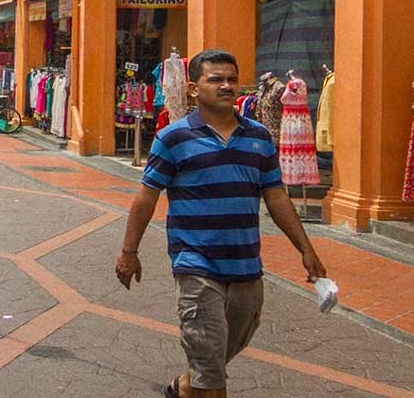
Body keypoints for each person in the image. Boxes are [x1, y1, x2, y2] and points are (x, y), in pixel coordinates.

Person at [116, 49, 327, 398]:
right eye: (216, 79)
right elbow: (146, 197)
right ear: (193, 88)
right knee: (212, 380)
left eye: (231, 79)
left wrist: (306, 250)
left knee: (212, 362)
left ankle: (184, 386)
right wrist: (129, 251)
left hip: (246, 267)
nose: (226, 86)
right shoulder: (173, 138)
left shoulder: (258, 137)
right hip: (197, 265)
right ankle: (196, 384)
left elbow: (276, 196)